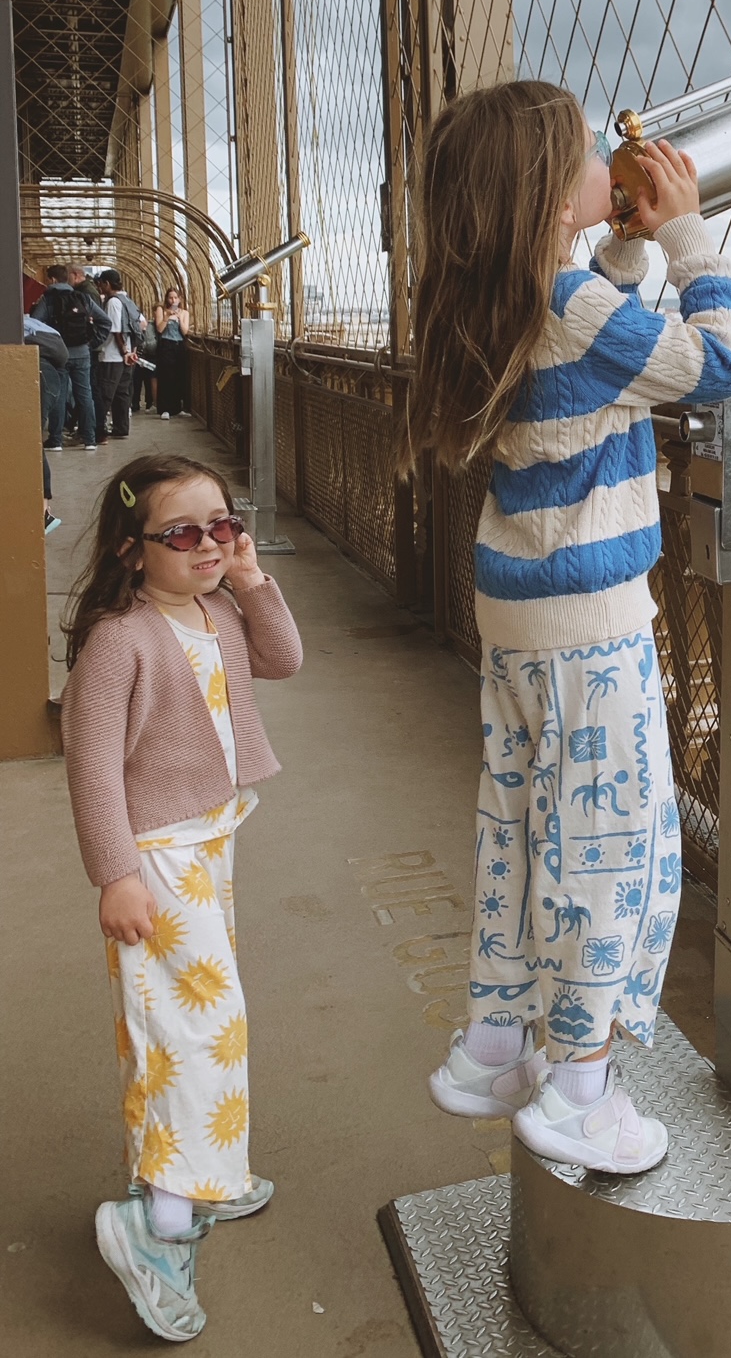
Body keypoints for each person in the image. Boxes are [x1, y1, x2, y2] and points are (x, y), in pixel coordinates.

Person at [403, 80, 731, 1176]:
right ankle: (582, 1094)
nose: (618, 162)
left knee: (518, 827)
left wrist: (629, 251)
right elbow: (714, 369)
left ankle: (495, 1045)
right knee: (617, 852)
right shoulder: (569, 305)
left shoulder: (500, 298)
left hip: (517, 615)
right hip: (592, 631)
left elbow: (596, 349)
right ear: (553, 196)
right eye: (596, 154)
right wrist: (691, 237)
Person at [60, 454, 302, 1342]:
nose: (213, 543)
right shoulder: (120, 639)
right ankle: (157, 1222)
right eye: (186, 533)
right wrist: (114, 873)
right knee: (203, 1025)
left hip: (207, 841)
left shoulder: (216, 610)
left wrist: (251, 579)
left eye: (224, 523)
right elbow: (89, 765)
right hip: (158, 855)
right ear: (132, 551)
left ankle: (197, 1176)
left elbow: (284, 658)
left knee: (178, 1024)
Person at [35, 263, 105, 450]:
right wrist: (92, 342)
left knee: (59, 395)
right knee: (85, 395)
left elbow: (34, 324)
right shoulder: (82, 297)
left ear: (52, 279)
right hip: (83, 353)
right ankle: (90, 440)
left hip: (59, 355)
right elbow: (105, 321)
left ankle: (56, 440)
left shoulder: (47, 300)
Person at [24, 309, 67, 530]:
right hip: (49, 375)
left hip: (37, 374)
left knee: (29, 441)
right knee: (32, 439)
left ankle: (43, 512)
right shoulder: (26, 321)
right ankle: (43, 510)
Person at [95, 269, 138, 442]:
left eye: (101, 284)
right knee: (122, 393)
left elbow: (116, 330)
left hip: (114, 355)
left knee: (106, 393)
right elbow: (141, 323)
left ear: (107, 283)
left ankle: (99, 430)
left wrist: (124, 352)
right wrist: (131, 351)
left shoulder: (113, 302)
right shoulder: (128, 300)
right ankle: (121, 427)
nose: (99, 287)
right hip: (127, 355)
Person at [154, 287, 192, 420]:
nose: (173, 300)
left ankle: (178, 407)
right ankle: (165, 408)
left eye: (175, 297)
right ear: (167, 298)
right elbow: (159, 329)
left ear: (179, 299)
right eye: (171, 297)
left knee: (179, 375)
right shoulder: (161, 310)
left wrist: (180, 317)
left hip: (179, 344)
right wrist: (167, 317)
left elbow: (185, 331)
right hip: (166, 344)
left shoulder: (184, 313)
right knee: (166, 376)